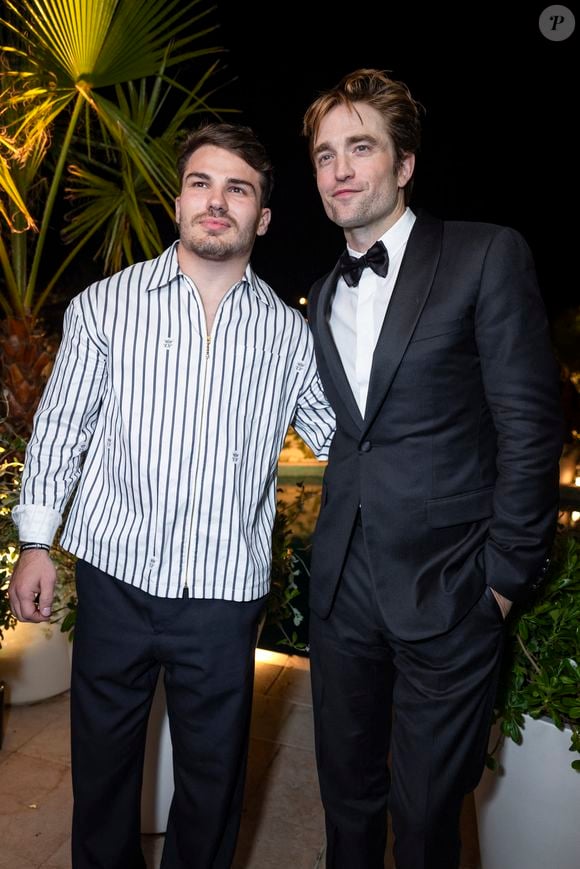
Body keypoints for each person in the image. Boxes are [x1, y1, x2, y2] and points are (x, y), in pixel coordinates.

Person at [8, 122, 335, 869]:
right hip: (115, 576)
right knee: (102, 772)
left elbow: (341, 442)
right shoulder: (105, 306)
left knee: (214, 783)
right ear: (178, 200)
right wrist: (34, 542)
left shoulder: (290, 335)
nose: (217, 201)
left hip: (224, 594)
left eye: (238, 188)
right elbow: (61, 431)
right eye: (202, 182)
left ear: (263, 217)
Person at [301, 69, 563, 869]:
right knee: (345, 807)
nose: (339, 169)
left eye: (361, 147)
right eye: (323, 156)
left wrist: (504, 578)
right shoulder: (319, 295)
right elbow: (356, 436)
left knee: (423, 824)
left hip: (453, 591)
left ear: (405, 163)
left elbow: (530, 424)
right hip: (343, 592)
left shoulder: (485, 254)